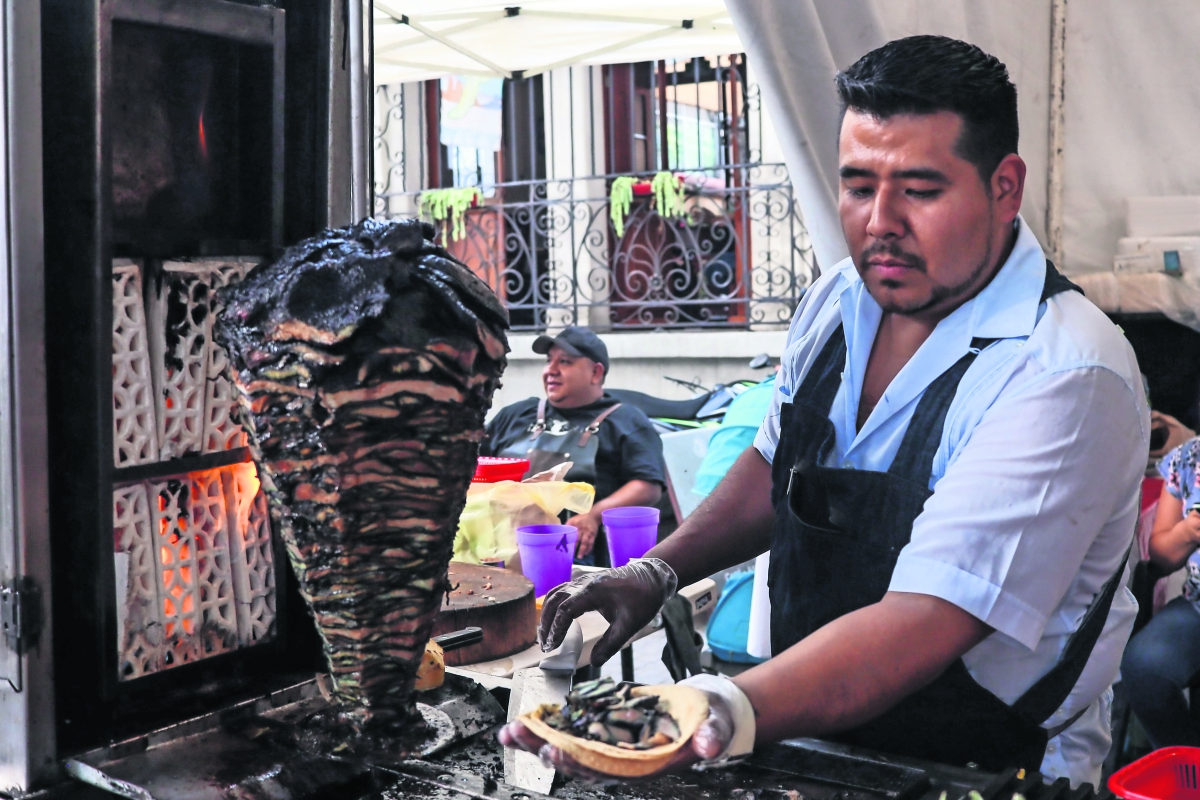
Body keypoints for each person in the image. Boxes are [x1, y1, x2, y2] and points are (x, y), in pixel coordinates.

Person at [502, 35, 1148, 787]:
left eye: (921, 189)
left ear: (1005, 187)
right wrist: (655, 572)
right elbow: (778, 465)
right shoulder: (840, 301)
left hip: (983, 765)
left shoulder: (1067, 372)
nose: (880, 222)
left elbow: (926, 620)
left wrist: (710, 710)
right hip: (809, 724)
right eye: (857, 185)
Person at [480, 326, 666, 563]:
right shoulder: (516, 414)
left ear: (596, 373)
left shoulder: (626, 421)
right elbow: (474, 467)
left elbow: (648, 485)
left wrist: (594, 515)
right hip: (498, 553)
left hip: (577, 561)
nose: (551, 371)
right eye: (549, 361)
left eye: (565, 362)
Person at [1122, 437, 1200, 748]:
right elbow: (1161, 557)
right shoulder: (1188, 458)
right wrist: (1188, 531)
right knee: (1144, 665)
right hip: (1197, 605)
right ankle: (1186, 768)